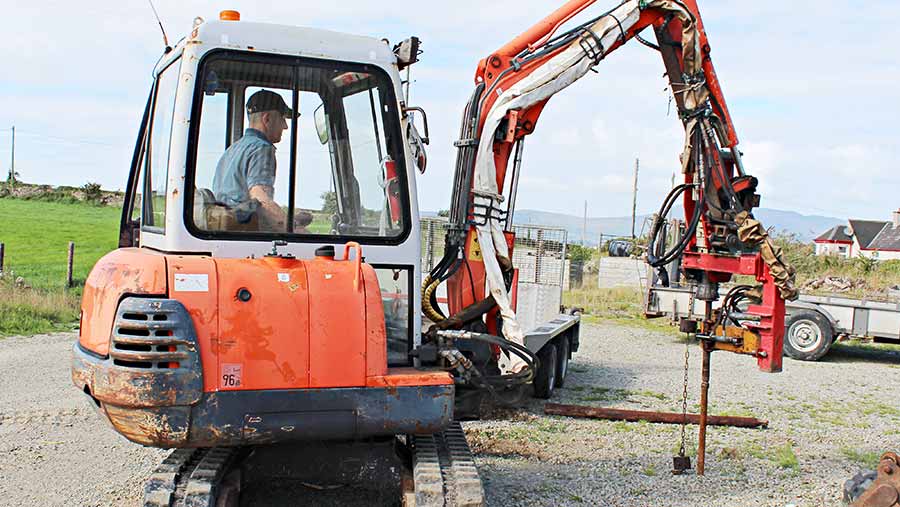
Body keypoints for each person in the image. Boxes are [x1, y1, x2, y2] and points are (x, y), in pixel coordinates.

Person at [212, 89, 310, 231]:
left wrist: (290, 218)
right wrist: (298, 231)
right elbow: (261, 199)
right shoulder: (262, 149)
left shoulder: (233, 149)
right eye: (282, 118)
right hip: (245, 236)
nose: (286, 126)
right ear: (267, 119)